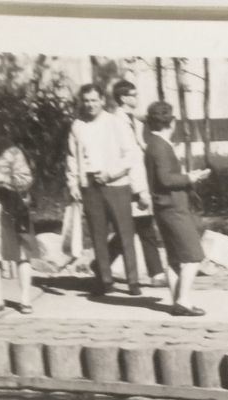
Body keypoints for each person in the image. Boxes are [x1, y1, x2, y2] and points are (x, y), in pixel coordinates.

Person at [67, 83, 149, 296]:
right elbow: (72, 158)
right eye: (86, 101)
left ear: (102, 100)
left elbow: (132, 155)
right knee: (97, 234)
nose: (90, 105)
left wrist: (112, 173)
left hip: (116, 185)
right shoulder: (77, 126)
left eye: (94, 100)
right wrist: (74, 183)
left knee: (125, 233)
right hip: (90, 186)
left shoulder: (115, 123)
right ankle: (105, 281)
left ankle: (133, 282)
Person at [142, 101, 211, 317]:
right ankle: (183, 300)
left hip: (163, 207)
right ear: (171, 123)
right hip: (174, 207)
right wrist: (190, 177)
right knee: (193, 256)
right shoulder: (161, 146)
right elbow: (165, 179)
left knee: (174, 258)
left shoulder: (152, 144)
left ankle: (176, 302)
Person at [111, 80, 168, 287]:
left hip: (135, 180)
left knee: (134, 227)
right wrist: (141, 190)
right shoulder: (118, 122)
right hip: (129, 182)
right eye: (133, 95)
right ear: (123, 98)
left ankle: (101, 264)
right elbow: (131, 158)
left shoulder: (130, 119)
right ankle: (157, 274)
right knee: (143, 226)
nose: (137, 98)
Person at [0, 126, 36, 315]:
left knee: (22, 253)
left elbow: (25, 179)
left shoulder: (12, 151)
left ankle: (25, 299)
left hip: (12, 206)